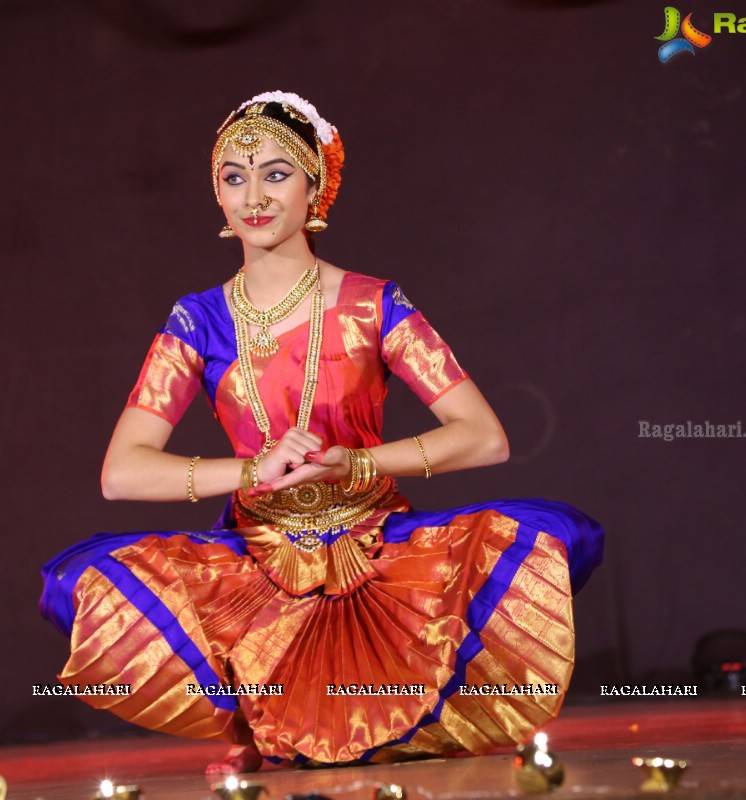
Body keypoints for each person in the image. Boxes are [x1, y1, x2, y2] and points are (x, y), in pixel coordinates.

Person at [39, 91, 604, 775]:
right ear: (216, 193)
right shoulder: (198, 321)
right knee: (84, 579)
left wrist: (354, 466)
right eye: (234, 176)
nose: (255, 195)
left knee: (541, 537)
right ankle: (267, 715)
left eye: (277, 173)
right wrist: (255, 470)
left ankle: (350, 714)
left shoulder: (374, 304)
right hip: (257, 565)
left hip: (377, 554)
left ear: (316, 188)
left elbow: (484, 437)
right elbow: (122, 473)